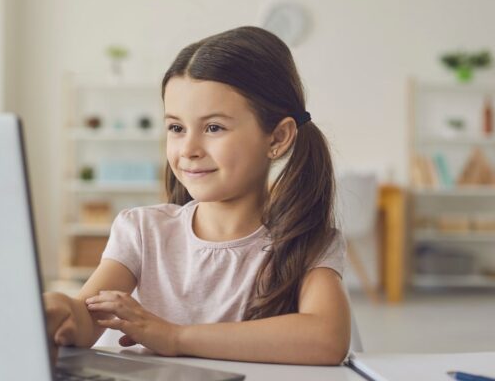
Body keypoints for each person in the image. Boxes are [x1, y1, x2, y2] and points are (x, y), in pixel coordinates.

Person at [44, 26, 350, 365]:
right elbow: (86, 320)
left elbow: (326, 339)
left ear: (277, 137)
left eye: (214, 127)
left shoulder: (306, 240)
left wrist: (174, 337)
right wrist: (60, 309)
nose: (188, 149)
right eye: (176, 128)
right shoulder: (142, 231)